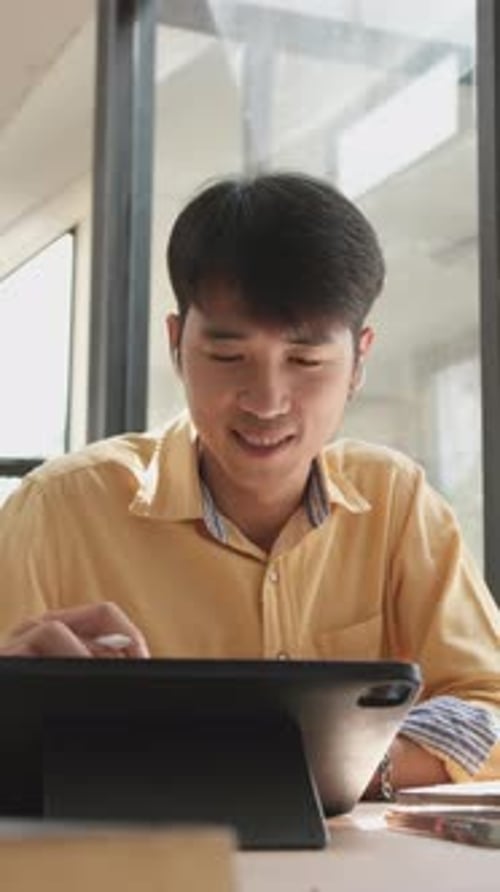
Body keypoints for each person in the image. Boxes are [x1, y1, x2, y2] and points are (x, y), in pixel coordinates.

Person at [0, 172, 498, 799]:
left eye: (306, 360)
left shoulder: (396, 504)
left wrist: (350, 764)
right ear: (178, 344)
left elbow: (488, 705)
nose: (266, 402)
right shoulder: (57, 511)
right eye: (229, 356)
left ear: (359, 362)